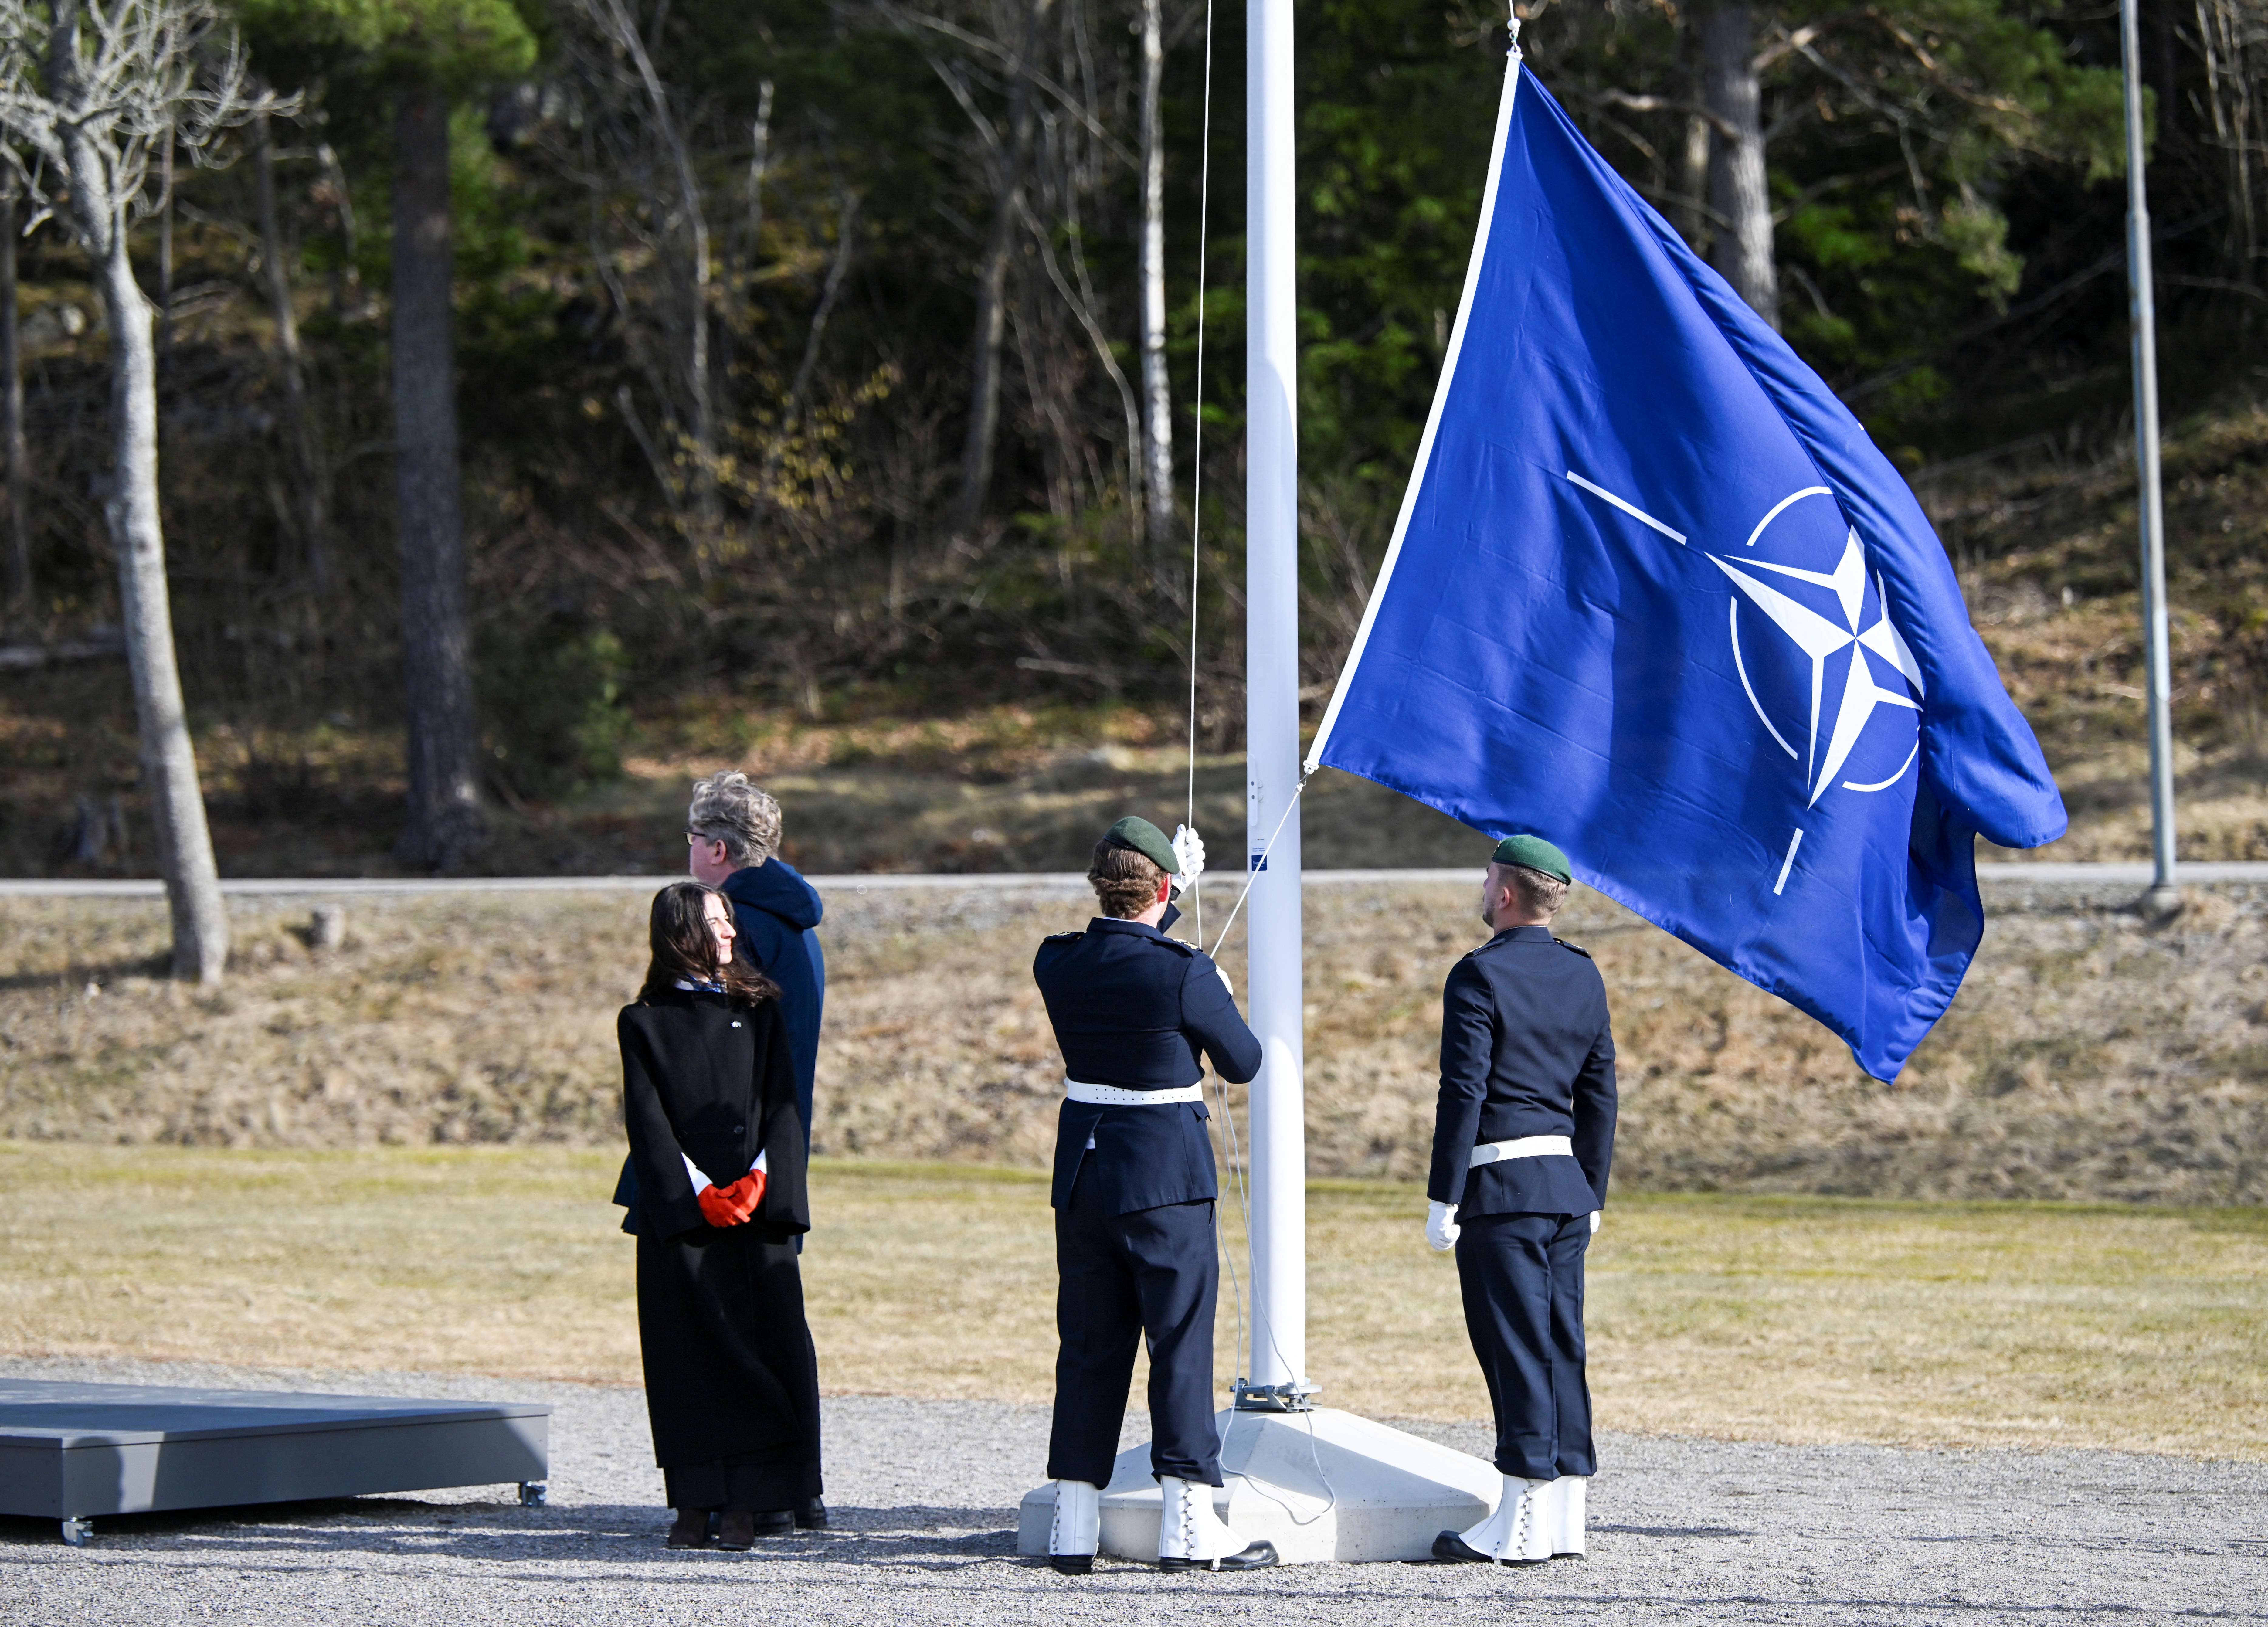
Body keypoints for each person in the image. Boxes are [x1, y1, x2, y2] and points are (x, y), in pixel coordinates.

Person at [1032, 815, 1278, 1575]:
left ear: (1099, 884)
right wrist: (1213, 988)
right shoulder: (1185, 971)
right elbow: (1242, 1062)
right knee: (1178, 1346)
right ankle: (1189, 1524)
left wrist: (1169, 909)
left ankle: (1074, 1524)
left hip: (1085, 1174)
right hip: (1164, 1177)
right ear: (1163, 887)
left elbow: (1122, 953)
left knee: (1089, 1345)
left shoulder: (1056, 960)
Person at [1424, 835, 1617, 1567]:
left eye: (1487, 881)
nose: (1483, 891)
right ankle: (1564, 1516)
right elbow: (1599, 1092)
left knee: (1514, 1348)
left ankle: (1521, 1523)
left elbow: (1463, 1090)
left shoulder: (1478, 974)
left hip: (1502, 1189)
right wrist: (1591, 1189)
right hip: (1565, 1187)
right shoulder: (1583, 972)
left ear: (1505, 893)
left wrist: (1444, 1193)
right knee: (1561, 1344)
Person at [619, 881, 822, 1552]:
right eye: (716, 921)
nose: (731, 931)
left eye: (729, 919)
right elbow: (647, 1120)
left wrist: (760, 1181)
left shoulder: (759, 1009)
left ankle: (748, 1502)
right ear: (681, 932)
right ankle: (694, 1499)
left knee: (759, 1350)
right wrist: (699, 1191)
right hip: (683, 1213)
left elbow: (783, 1105)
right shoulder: (643, 1020)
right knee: (686, 1357)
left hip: (756, 1208)